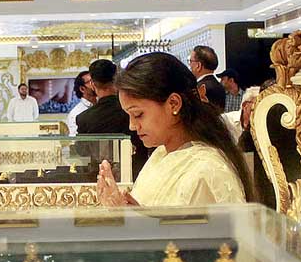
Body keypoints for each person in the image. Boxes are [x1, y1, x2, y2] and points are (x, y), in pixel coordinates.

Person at [95, 53, 255, 207]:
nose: (132, 125)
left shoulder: (207, 169)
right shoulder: (162, 154)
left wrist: (133, 217)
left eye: (138, 114)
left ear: (173, 104)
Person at [76, 60, 149, 177]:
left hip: (100, 176)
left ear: (93, 85)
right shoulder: (133, 111)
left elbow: (82, 151)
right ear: (116, 80)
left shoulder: (84, 118)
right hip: (137, 174)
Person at [189, 46, 225, 111]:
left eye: (190, 61)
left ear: (198, 65)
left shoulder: (197, 89)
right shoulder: (220, 86)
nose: (190, 65)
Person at [66, 71, 96, 136]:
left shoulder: (102, 105)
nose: (95, 84)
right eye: (91, 82)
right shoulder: (75, 114)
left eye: (95, 80)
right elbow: (74, 138)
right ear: (82, 89)